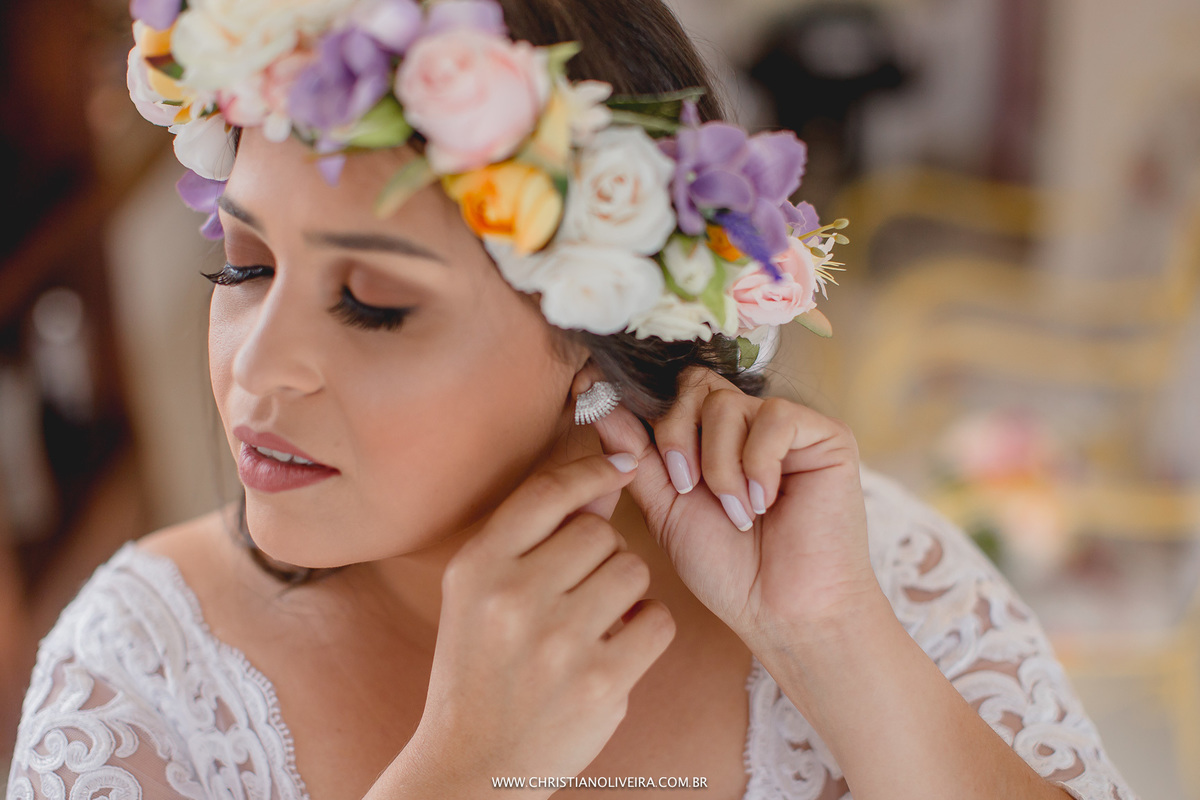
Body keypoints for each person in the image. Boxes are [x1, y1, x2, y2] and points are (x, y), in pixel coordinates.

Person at [6, 1, 1140, 799]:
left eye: (373, 303)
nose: (256, 370)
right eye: (245, 266)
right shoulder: (138, 677)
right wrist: (460, 775)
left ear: (597, 336)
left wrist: (836, 648)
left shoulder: (865, 573)